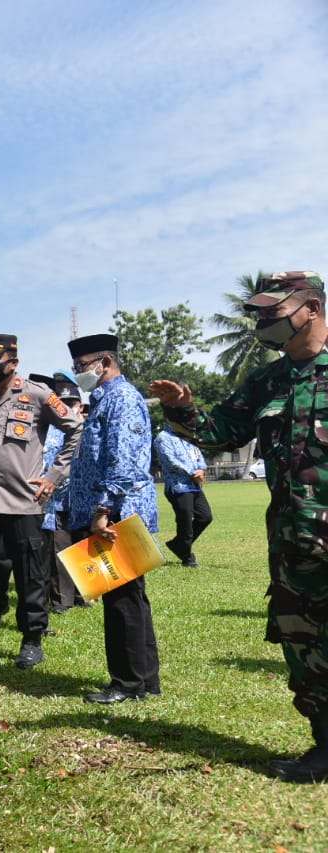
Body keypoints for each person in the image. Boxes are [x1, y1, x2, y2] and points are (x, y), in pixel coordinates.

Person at [150, 270, 328, 781]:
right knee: (306, 647)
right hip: (295, 542)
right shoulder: (268, 381)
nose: (263, 323)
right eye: (259, 314)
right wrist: (182, 409)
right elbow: (221, 433)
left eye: (274, 312)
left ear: (311, 308)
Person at [0, 333, 82, 669]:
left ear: (14, 362)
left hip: (23, 502)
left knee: (29, 574)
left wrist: (54, 477)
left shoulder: (37, 395)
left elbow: (76, 428)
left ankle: (32, 640)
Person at [67, 334, 160, 705]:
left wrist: (103, 510)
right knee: (130, 598)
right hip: (112, 510)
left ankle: (127, 683)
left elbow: (122, 461)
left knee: (122, 601)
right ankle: (144, 679)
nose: (79, 373)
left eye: (82, 366)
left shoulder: (120, 399)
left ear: (105, 363)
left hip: (116, 513)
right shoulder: (104, 401)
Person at [40, 372, 88, 613]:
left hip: (84, 503)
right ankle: (62, 601)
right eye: (64, 404)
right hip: (57, 503)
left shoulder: (89, 429)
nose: (69, 408)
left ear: (80, 405)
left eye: (72, 403)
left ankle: (84, 594)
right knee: (59, 552)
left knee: (84, 549)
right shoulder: (51, 432)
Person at [153, 426, 212, 567]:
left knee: (205, 517)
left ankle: (178, 544)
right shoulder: (163, 438)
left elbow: (198, 455)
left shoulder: (189, 435)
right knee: (185, 520)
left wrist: (201, 470)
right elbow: (171, 462)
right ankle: (187, 556)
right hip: (178, 486)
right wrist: (193, 473)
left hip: (194, 485)